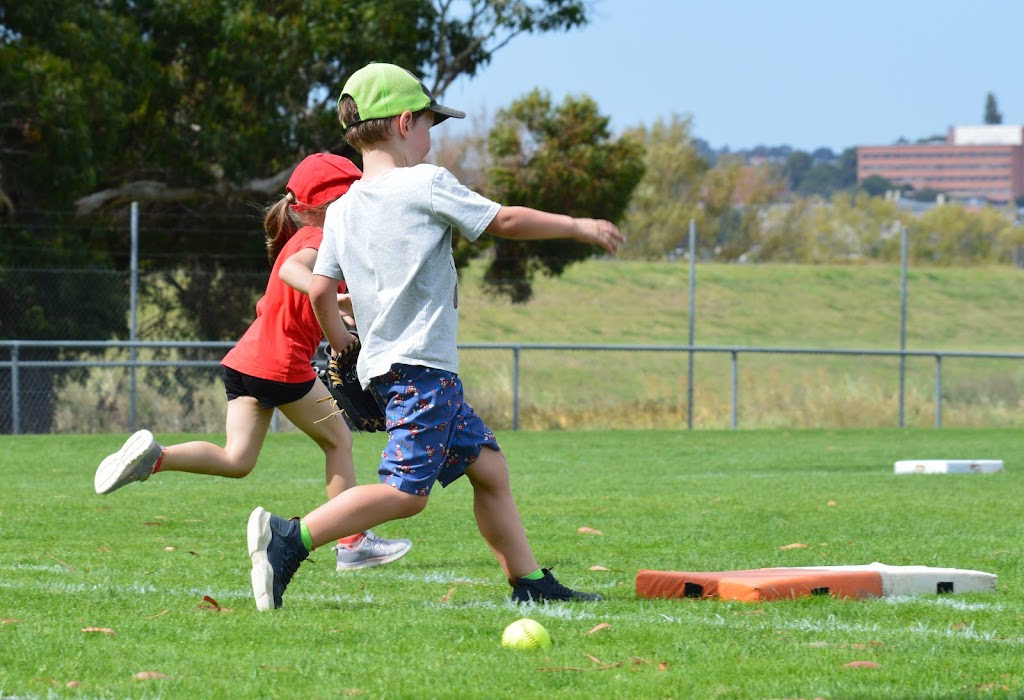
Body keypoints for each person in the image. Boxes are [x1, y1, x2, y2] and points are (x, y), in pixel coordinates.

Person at [246, 62, 624, 611]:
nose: (430, 137)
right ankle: (291, 539)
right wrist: (578, 227)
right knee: (406, 493)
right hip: (424, 367)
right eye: (429, 124)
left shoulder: (345, 208)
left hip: (389, 367)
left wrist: (345, 347)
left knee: (489, 468)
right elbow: (506, 222)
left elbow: (322, 290)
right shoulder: (425, 183)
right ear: (404, 123)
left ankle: (529, 582)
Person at [94, 153, 412, 572]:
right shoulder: (319, 240)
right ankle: (351, 542)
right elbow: (295, 276)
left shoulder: (307, 238)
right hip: (281, 366)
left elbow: (310, 302)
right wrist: (336, 299)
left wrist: (343, 313)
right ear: (334, 204)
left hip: (245, 361)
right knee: (339, 442)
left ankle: (156, 457)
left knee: (237, 460)